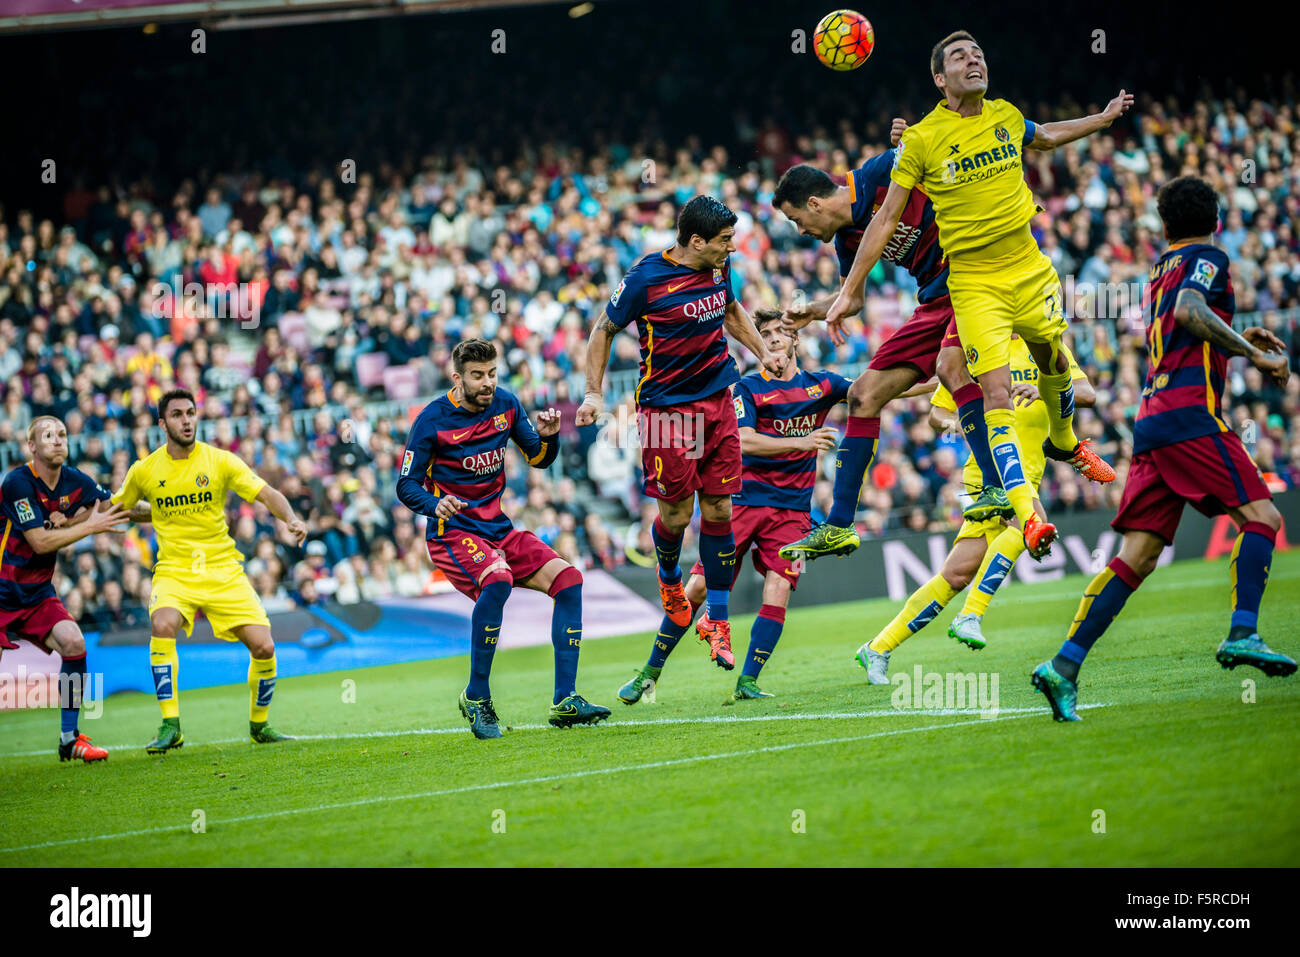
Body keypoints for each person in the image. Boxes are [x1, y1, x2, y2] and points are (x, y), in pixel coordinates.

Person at [826, 30, 1131, 561]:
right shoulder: (924, 139)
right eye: (961, 57)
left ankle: (1063, 442)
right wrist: (851, 290)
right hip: (972, 284)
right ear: (939, 79)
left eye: (980, 54)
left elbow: (1049, 136)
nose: (976, 61)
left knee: (1053, 361)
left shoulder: (1007, 115)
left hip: (1031, 268)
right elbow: (886, 217)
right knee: (988, 391)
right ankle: (1023, 511)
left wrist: (1101, 120)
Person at [1033, 176, 1295, 721]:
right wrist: (1255, 353)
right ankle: (1243, 632)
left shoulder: (1161, 267)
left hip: (1153, 420)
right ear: (1216, 218)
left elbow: (1186, 318)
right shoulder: (1209, 256)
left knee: (1140, 556)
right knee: (1263, 517)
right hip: (1190, 416)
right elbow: (1190, 313)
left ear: (1166, 223)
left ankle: (1063, 666)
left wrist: (1239, 344)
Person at [773, 120, 1008, 565]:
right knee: (863, 395)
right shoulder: (847, 240)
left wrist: (909, 130)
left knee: (952, 368)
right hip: (936, 299)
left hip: (971, 276)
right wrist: (812, 310)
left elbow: (940, 144)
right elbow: (853, 299)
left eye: (795, 218)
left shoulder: (882, 171)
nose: (798, 229)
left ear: (815, 202)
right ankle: (840, 525)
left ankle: (996, 485)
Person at [577, 195, 783, 668]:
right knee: (675, 516)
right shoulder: (646, 278)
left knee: (719, 508)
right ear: (696, 241)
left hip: (718, 401)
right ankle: (669, 575)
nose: (732, 247)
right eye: (725, 240)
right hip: (670, 412)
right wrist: (594, 394)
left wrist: (761, 354)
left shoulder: (718, 268)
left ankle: (718, 618)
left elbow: (731, 311)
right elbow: (602, 330)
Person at [619, 309, 851, 703]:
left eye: (781, 332)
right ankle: (649, 674)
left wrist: (937, 381)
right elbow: (743, 440)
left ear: (795, 340)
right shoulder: (745, 389)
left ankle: (748, 682)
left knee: (779, 589)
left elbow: (872, 389)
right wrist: (803, 442)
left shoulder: (822, 385)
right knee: (695, 589)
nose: (775, 338)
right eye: (766, 333)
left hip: (793, 510)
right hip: (742, 501)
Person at [397, 338, 610, 739]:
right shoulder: (431, 420)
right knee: (497, 579)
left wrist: (550, 437)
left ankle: (565, 699)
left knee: (569, 580)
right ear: (457, 378)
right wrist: (433, 504)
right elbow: (405, 485)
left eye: (492, 373)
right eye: (478, 376)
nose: (488, 383)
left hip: (498, 527)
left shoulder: (507, 404)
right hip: (453, 532)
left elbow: (539, 458)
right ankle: (477, 697)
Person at [856, 336, 1093, 682]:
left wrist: (1046, 389)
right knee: (1033, 521)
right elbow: (938, 413)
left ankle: (878, 647)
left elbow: (1088, 394)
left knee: (956, 575)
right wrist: (964, 424)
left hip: (1028, 473)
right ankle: (971, 614)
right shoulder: (978, 345)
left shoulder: (1046, 344)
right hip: (988, 472)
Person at [111, 388, 308, 752]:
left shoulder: (220, 461)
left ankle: (260, 726)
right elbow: (118, 508)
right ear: (162, 423)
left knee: (264, 646)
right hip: (175, 571)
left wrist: (291, 518)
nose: (186, 421)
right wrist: (71, 519)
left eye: (190, 413)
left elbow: (267, 494)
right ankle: (171, 725)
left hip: (223, 570)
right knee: (162, 623)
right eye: (177, 415)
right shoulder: (145, 471)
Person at [0, 416, 127, 762]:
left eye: (62, 434)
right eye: (48, 435)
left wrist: (167, 510)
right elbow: (40, 542)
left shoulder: (75, 481)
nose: (57, 440)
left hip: (37, 593)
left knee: (73, 642)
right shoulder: (17, 482)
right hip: (1, 590)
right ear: (32, 446)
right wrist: (90, 525)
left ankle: (69, 739)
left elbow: (116, 506)